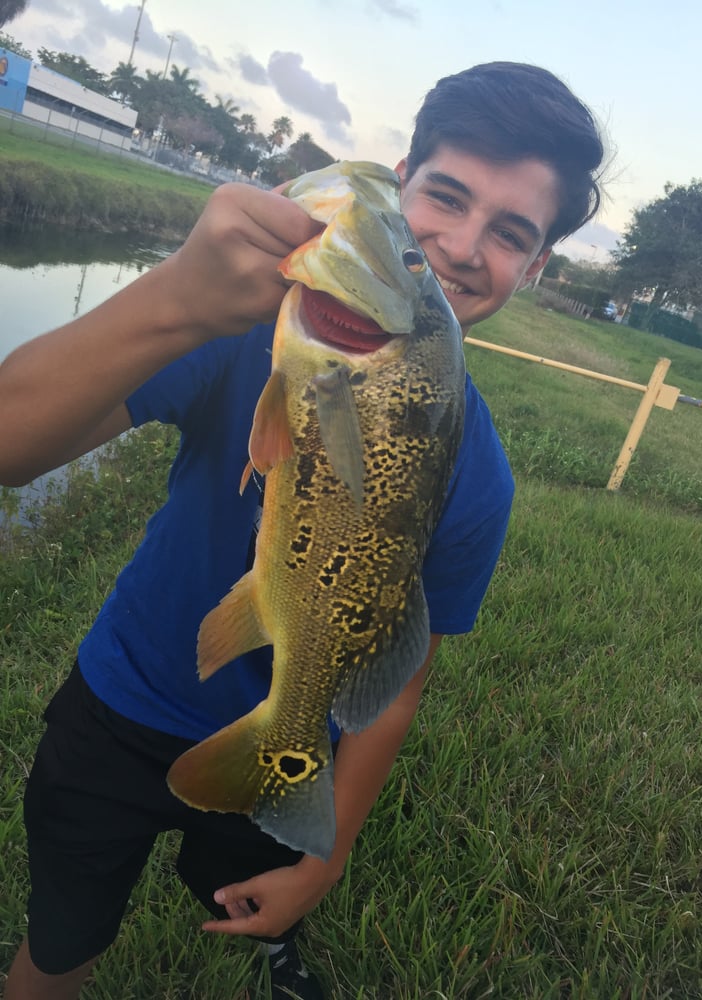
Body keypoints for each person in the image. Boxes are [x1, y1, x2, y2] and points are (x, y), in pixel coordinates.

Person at [0, 62, 604, 999]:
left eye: (510, 233)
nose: (457, 244)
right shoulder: (249, 330)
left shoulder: (478, 479)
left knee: (247, 882)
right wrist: (180, 299)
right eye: (444, 197)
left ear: (535, 268)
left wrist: (324, 860)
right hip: (123, 701)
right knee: (62, 934)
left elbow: (396, 687)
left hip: (295, 731)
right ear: (400, 182)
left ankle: (274, 928)